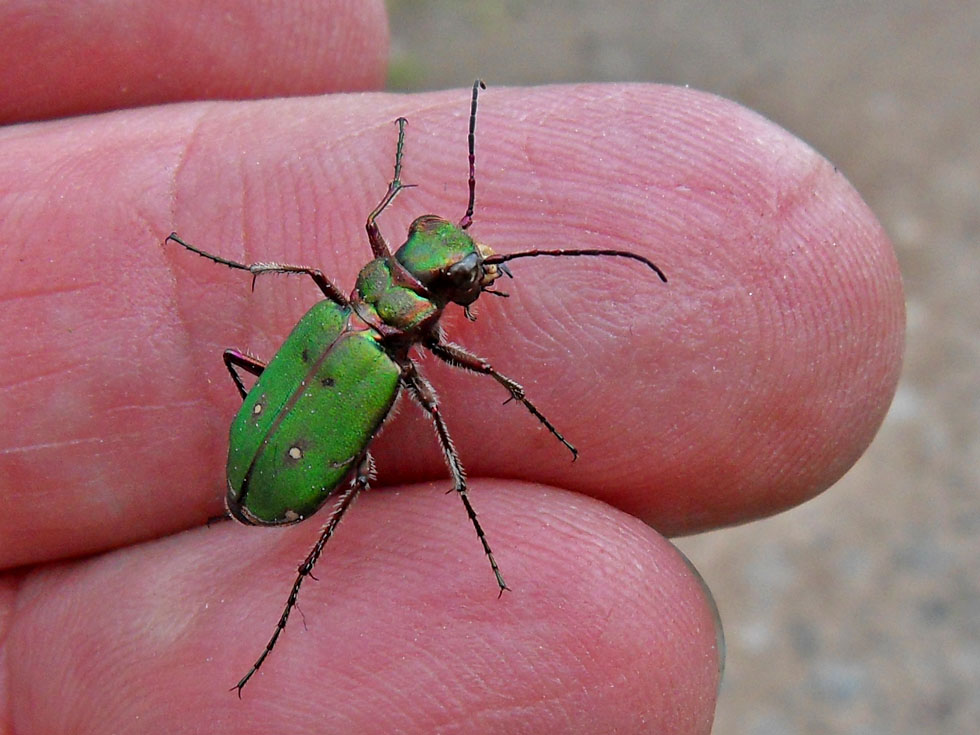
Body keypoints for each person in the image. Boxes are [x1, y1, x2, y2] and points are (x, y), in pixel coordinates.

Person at [0, 2, 904, 732]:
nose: (479, 273)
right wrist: (522, 409)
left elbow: (387, 251)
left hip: (280, 417)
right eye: (464, 273)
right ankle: (306, 593)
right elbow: (467, 387)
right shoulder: (399, 357)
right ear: (417, 283)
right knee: (364, 473)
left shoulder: (338, 300)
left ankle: (311, 554)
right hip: (293, 455)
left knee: (297, 386)